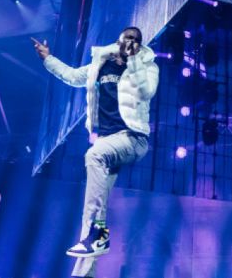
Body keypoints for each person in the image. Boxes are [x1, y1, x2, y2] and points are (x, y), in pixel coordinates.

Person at [32, 26, 158, 275]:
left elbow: (146, 91)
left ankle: (97, 233)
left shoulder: (147, 66)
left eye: (136, 40)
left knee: (94, 155)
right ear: (118, 41)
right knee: (94, 209)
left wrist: (134, 61)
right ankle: (84, 272)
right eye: (128, 38)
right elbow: (72, 76)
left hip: (133, 139)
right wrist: (48, 58)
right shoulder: (100, 66)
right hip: (108, 141)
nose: (131, 42)